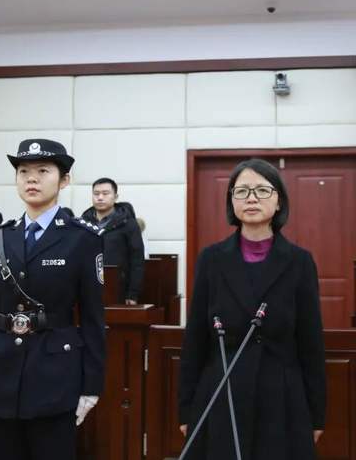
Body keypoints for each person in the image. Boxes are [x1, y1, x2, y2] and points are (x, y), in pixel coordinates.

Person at [0, 139, 106, 460]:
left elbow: (93, 319)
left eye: (43, 171)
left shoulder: (83, 238)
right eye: (24, 171)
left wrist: (91, 386)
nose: (32, 178)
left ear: (64, 180)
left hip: (54, 376)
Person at [178, 158, 326, 460]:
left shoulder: (299, 262)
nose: (252, 198)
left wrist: (316, 414)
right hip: (222, 392)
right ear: (231, 201)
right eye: (242, 191)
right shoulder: (211, 259)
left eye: (262, 190)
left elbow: (311, 343)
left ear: (279, 201)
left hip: (281, 398)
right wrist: (186, 408)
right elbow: (195, 340)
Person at [82, 178, 145, 304]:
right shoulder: (83, 222)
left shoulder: (128, 224)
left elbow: (137, 261)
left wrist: (132, 294)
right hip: (88, 287)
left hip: (118, 287)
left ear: (115, 197)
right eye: (96, 194)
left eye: (105, 193)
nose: (100, 197)